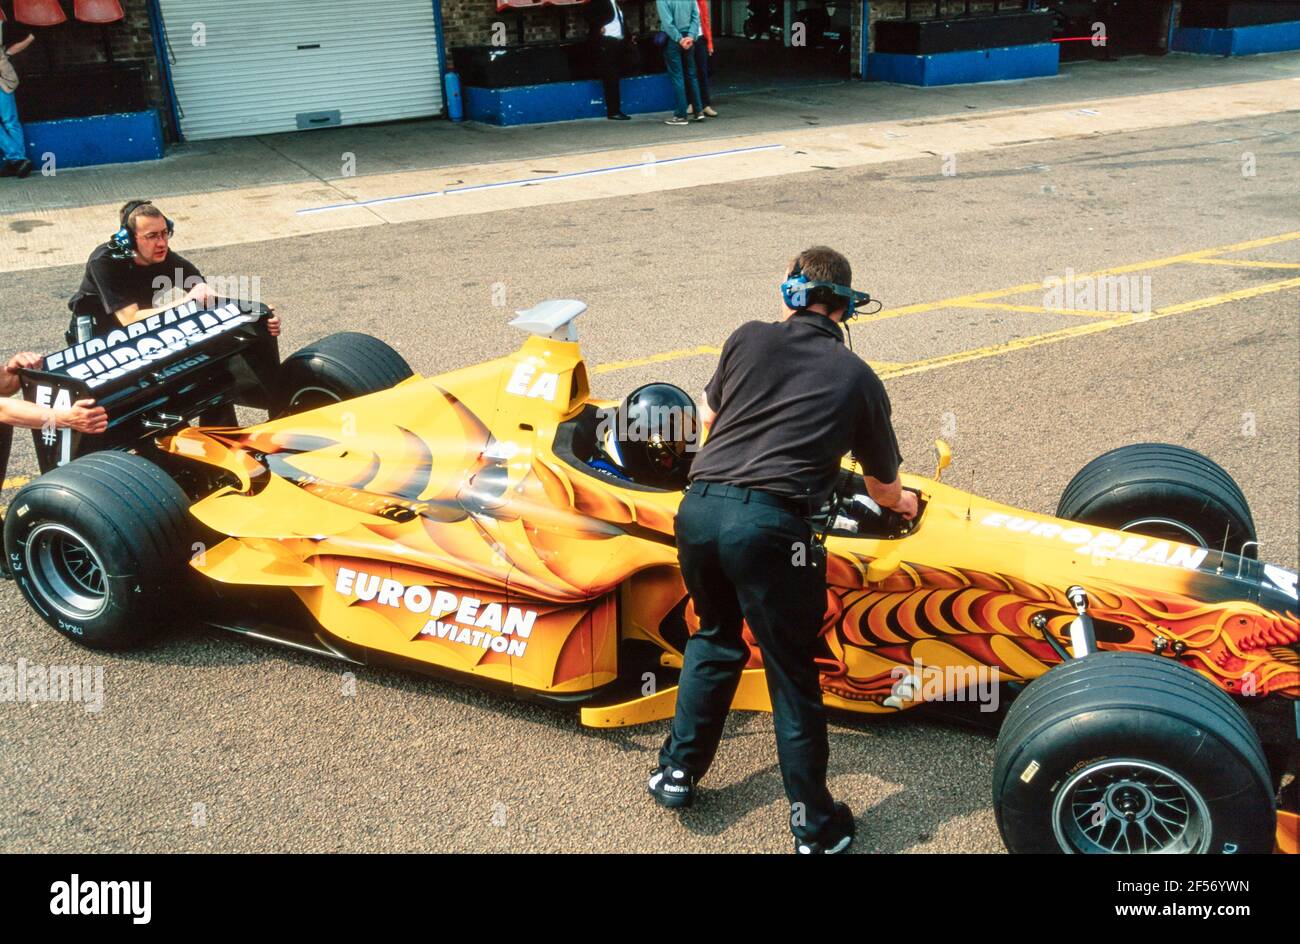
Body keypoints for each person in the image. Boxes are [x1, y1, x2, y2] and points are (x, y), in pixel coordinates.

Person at [647, 246, 916, 854]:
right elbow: (882, 487)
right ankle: (815, 827)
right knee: (792, 675)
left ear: (789, 293)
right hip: (771, 531)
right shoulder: (858, 379)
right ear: (846, 307)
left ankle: (676, 773)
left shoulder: (745, 337)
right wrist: (900, 505)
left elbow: (711, 420)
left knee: (714, 637)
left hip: (700, 511)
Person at [67, 199, 282, 344]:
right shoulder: (104, 261)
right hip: (95, 334)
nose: (162, 243)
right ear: (130, 239)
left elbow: (205, 296)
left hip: (142, 324)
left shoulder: (163, 255)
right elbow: (130, 319)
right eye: (152, 236)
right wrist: (188, 301)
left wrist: (254, 312)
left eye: (165, 233)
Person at [656, 0, 704, 126]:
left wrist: (679, 39)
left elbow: (667, 23)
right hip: (689, 38)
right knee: (692, 75)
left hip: (673, 40)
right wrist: (691, 36)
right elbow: (695, 17)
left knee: (678, 77)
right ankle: (698, 111)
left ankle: (681, 115)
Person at [584, 0, 633, 121]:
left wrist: (628, 37)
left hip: (618, 42)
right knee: (611, 77)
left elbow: (620, 21)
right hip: (606, 42)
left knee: (615, 75)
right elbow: (587, 13)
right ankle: (613, 111)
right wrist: (598, 27)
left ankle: (615, 109)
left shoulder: (615, 3)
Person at [0, 22, 34, 179]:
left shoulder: (3, 26)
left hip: (3, 81)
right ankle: (18, 161)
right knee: (11, 121)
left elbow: (30, 37)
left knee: (10, 121)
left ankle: (16, 160)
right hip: (5, 79)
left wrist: (7, 54)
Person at [687, 0, 718, 118]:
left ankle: (705, 104)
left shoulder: (701, 2)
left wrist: (709, 43)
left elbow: (705, 20)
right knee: (689, 72)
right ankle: (691, 102)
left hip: (700, 38)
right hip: (687, 37)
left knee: (702, 72)